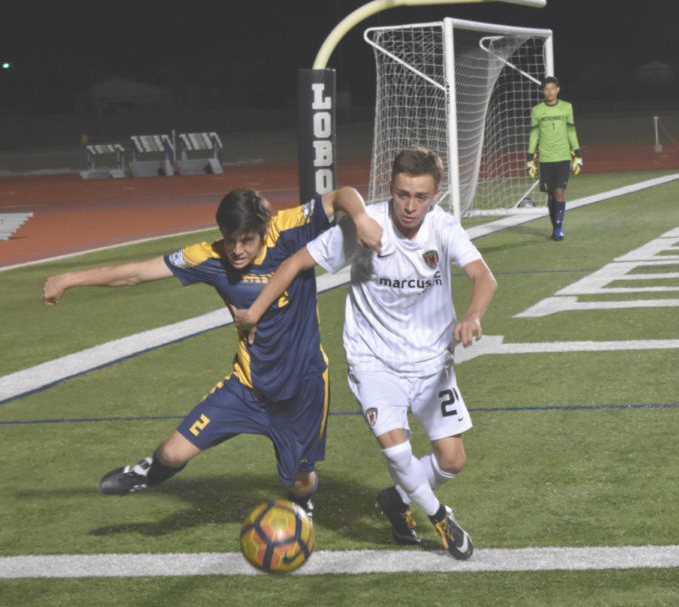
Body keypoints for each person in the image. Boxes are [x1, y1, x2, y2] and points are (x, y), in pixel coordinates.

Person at [41, 186, 382, 516]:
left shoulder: (289, 230)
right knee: (172, 454)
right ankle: (148, 473)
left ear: (263, 230)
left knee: (298, 481)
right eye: (230, 238)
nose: (236, 249)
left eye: (246, 239)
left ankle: (302, 501)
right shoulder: (209, 255)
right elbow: (135, 274)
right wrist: (69, 278)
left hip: (303, 389)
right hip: (247, 388)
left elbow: (341, 195)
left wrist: (361, 217)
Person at [233, 147, 497, 560]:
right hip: (373, 361)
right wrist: (253, 312)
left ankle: (397, 499)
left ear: (436, 194)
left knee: (452, 461)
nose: (410, 206)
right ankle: (439, 515)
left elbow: (483, 276)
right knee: (396, 450)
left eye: (421, 197)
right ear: (390, 188)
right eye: (403, 194)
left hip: (432, 364)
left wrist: (473, 315)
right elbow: (297, 261)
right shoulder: (364, 226)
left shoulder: (444, 228)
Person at [526, 75, 582, 241]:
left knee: (559, 191)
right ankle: (555, 227)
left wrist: (577, 154)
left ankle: (558, 229)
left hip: (563, 156)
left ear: (557, 90)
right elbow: (534, 134)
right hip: (545, 158)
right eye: (546, 89)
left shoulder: (566, 107)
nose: (550, 92)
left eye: (552, 88)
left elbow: (571, 130)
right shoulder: (537, 110)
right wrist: (530, 158)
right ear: (542, 91)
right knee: (550, 194)